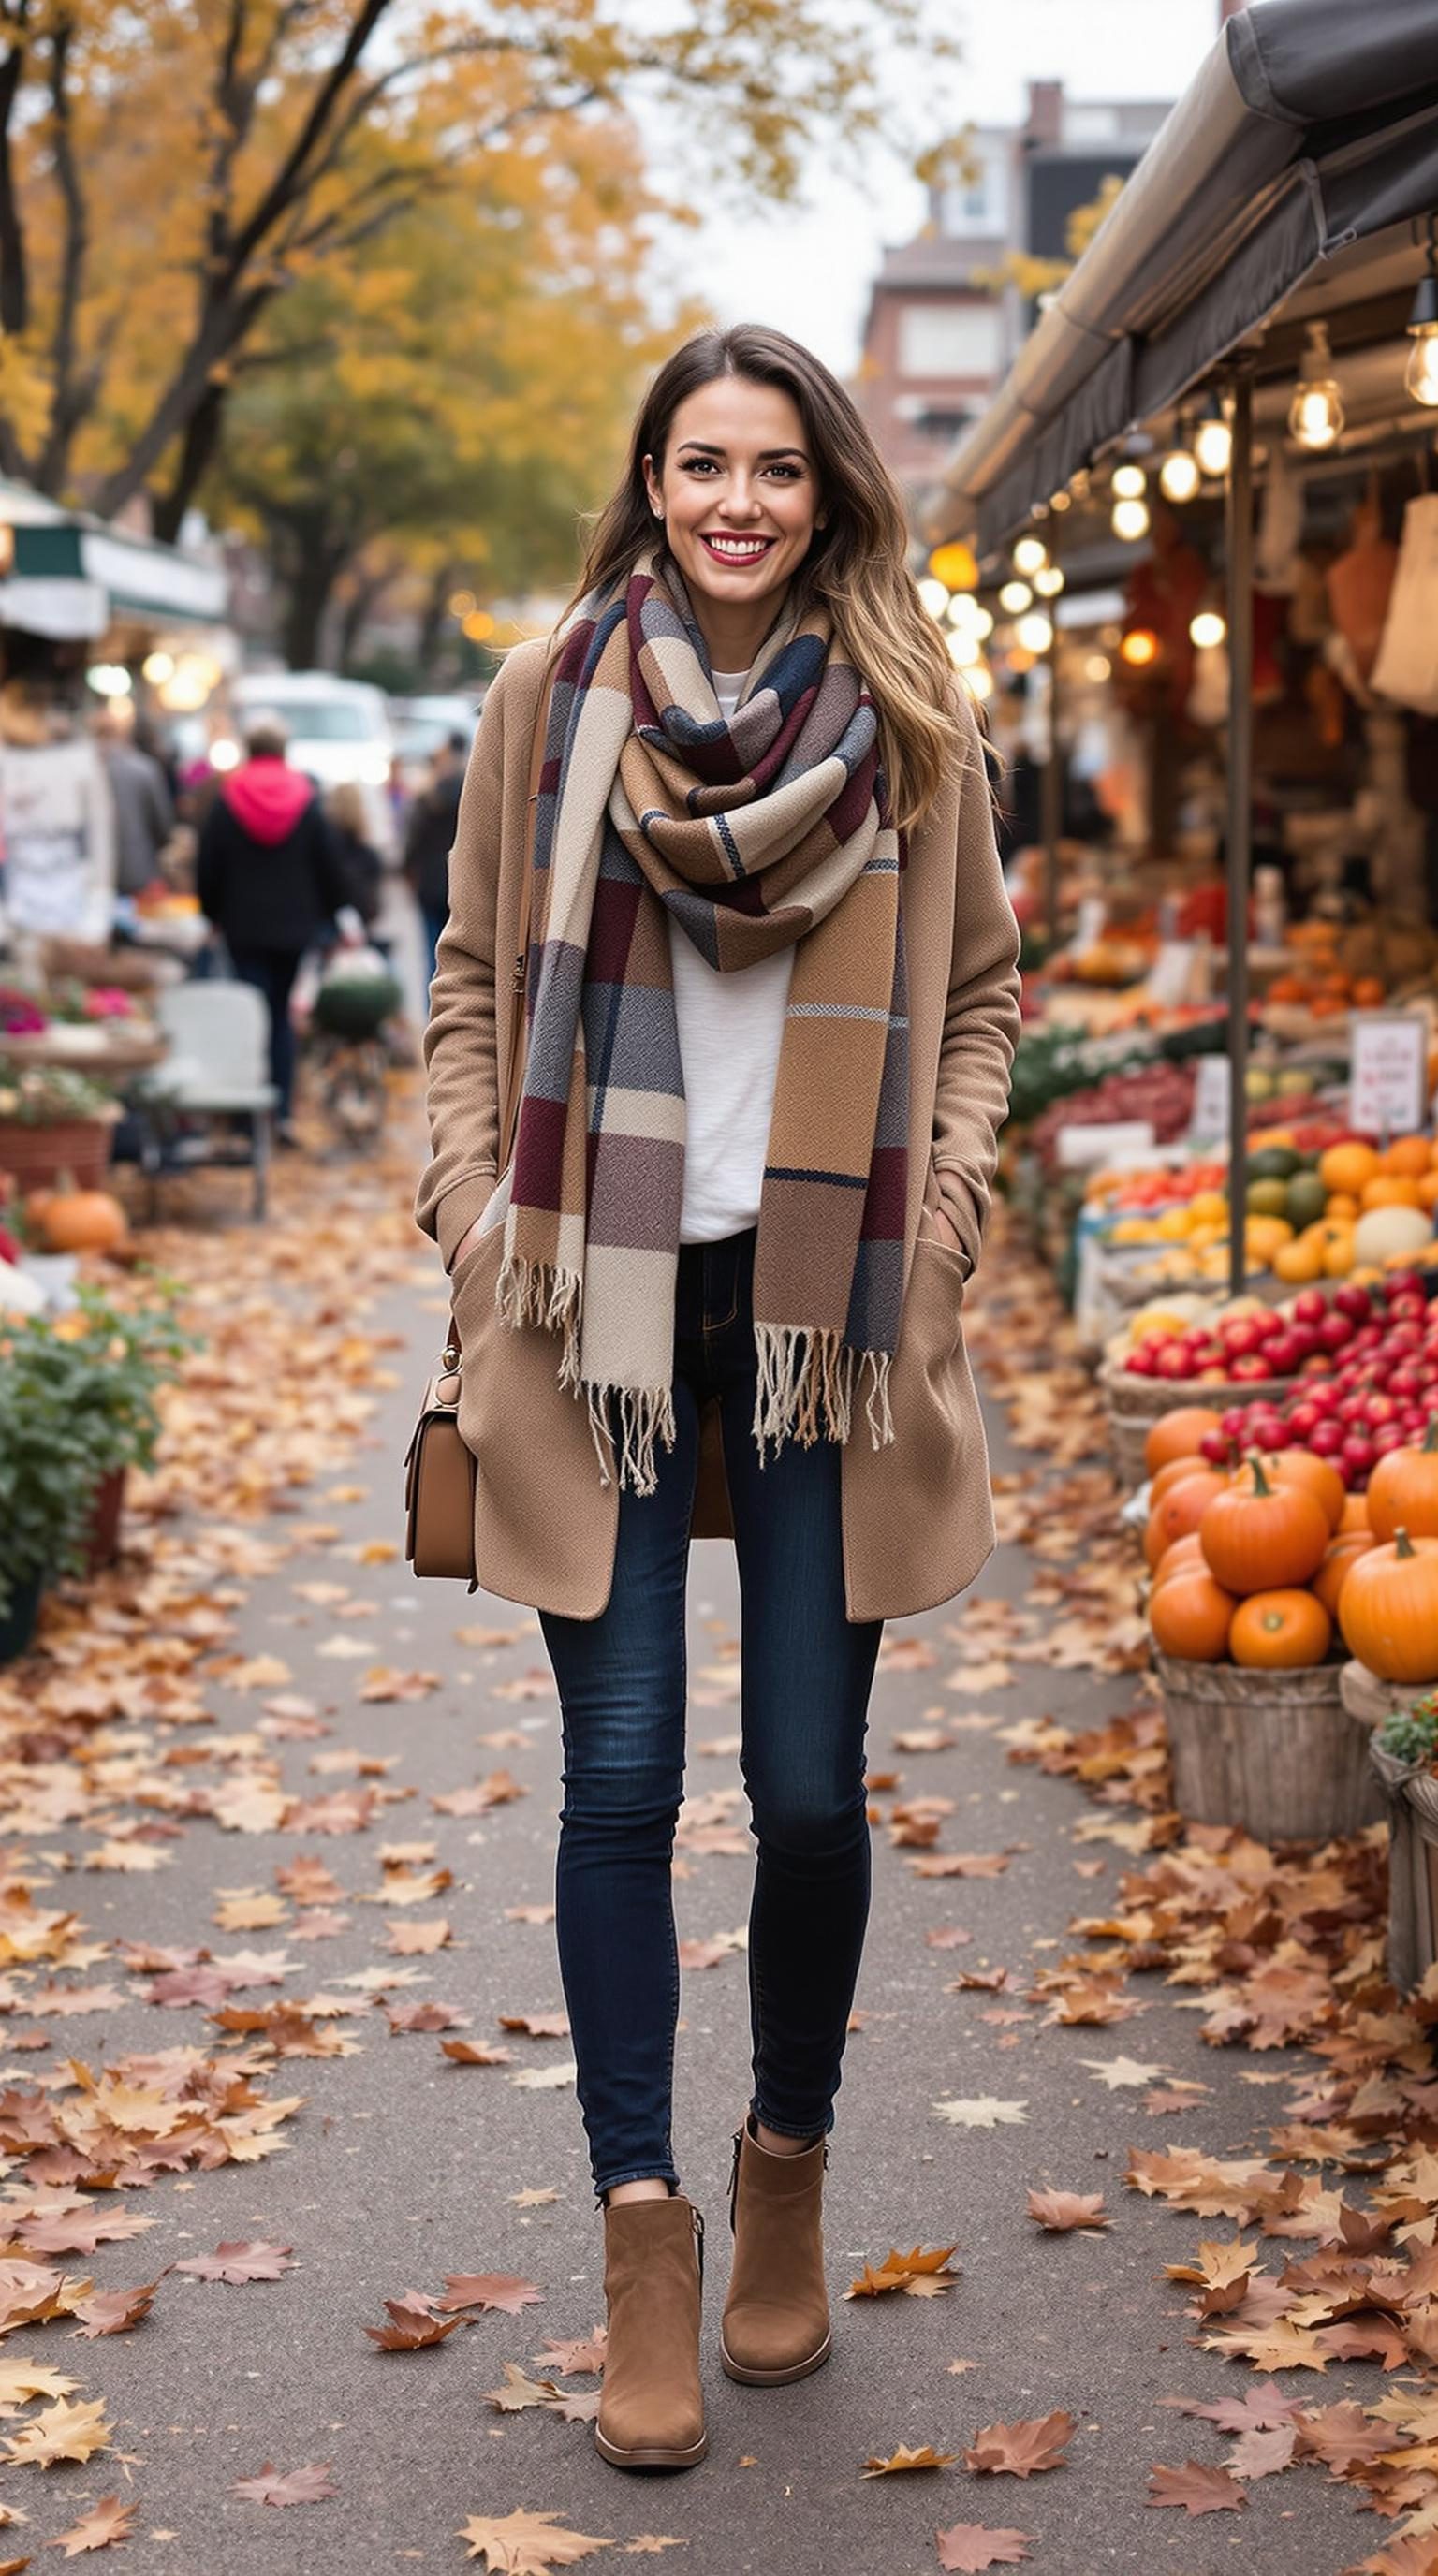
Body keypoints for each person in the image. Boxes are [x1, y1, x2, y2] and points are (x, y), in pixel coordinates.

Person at [415, 325, 1021, 2474]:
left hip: (822, 1307)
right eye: (701, 462)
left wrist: (935, 1228)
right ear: (651, 481)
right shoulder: (545, 701)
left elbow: (980, 1004)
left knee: (798, 1791)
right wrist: (472, 1220)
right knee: (618, 1778)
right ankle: (640, 2243)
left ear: (825, 484)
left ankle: (781, 2163)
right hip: (598, 1299)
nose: (737, 499)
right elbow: (470, 976)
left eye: (774, 464)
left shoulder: (916, 716)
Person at [195, 715, 348, 1141]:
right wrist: (333, 915)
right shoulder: (307, 798)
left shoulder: (228, 799)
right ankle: (280, 1110)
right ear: (283, 751)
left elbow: (209, 864)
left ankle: (245, 1112)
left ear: (249, 750)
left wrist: (211, 915)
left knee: (248, 1013)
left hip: (242, 926)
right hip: (294, 927)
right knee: (281, 1016)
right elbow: (329, 866)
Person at [0, 681, 116, 956]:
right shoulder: (6, 759)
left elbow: (101, 837)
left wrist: (98, 907)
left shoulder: (80, 758)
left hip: (71, 897)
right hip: (19, 897)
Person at [403, 731, 467, 988]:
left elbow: (412, 843)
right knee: (459, 955)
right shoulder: (468, 793)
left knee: (431, 952)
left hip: (429, 882)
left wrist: (407, 872)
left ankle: (431, 1012)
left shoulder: (425, 796)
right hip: (460, 880)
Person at [92, 703, 174, 896]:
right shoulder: (144, 768)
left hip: (92, 875)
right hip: (139, 871)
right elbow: (162, 823)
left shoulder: (81, 772)